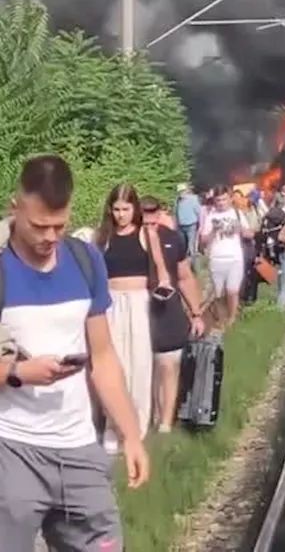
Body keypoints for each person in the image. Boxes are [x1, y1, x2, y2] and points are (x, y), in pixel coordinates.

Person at [0, 154, 148, 551]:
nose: (50, 237)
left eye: (59, 226)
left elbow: (103, 358)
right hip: (9, 449)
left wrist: (131, 434)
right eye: (38, 226)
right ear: (15, 208)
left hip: (80, 449)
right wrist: (17, 374)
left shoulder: (87, 262)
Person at [92, 184, 175, 451]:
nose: (121, 215)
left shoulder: (145, 235)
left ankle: (136, 428)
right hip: (111, 304)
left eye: (126, 209)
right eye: (116, 209)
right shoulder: (102, 238)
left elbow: (162, 270)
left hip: (138, 302)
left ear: (134, 209)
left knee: (140, 365)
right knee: (114, 365)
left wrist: (162, 286)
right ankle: (113, 427)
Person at [139, 197, 205, 432]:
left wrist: (196, 313)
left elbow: (185, 276)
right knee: (146, 368)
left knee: (169, 364)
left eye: (152, 219)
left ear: (159, 215)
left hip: (168, 309)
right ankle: (150, 418)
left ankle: (166, 423)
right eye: (143, 220)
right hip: (140, 308)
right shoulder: (129, 241)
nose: (148, 225)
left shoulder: (172, 239)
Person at [200, 191, 252, 332]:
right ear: (215, 201)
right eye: (218, 200)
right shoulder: (211, 216)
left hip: (235, 258)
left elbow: (249, 233)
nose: (221, 203)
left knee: (232, 290)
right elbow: (203, 240)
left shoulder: (237, 213)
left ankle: (232, 318)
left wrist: (240, 229)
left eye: (224, 199)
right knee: (218, 292)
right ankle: (220, 319)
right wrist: (213, 231)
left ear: (229, 199)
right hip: (216, 258)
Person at [233, 193, 261, 304]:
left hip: (250, 245)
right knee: (242, 272)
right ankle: (241, 297)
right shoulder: (236, 213)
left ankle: (249, 296)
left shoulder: (255, 210)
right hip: (240, 245)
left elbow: (255, 228)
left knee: (250, 272)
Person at [174, 183, 203, 264]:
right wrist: (175, 224)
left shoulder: (193, 199)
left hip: (191, 225)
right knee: (182, 246)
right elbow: (176, 212)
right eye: (179, 192)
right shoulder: (177, 200)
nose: (181, 193)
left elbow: (199, 213)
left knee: (191, 247)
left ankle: (193, 266)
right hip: (181, 226)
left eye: (182, 191)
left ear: (186, 191)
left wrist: (201, 225)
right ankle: (184, 265)